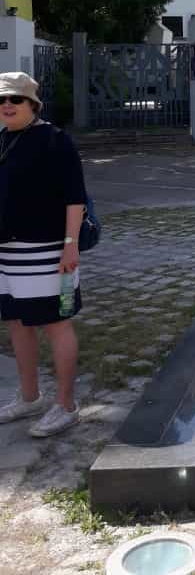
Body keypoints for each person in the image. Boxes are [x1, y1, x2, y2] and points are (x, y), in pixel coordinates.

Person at [0, 72, 86, 436]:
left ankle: (66, 406)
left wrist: (70, 244)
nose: (7, 105)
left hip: (48, 253)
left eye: (15, 99)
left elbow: (74, 197)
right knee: (17, 324)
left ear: (33, 104)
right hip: (7, 254)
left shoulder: (54, 140)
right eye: (1, 100)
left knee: (56, 324)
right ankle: (30, 397)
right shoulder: (3, 139)